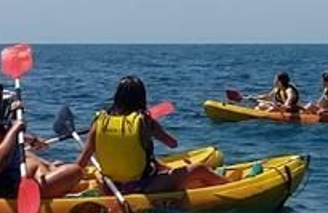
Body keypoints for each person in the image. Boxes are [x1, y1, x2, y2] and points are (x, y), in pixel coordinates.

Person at [78, 76, 226, 193]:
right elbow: (172, 143)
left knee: (151, 160)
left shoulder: (99, 121)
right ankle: (229, 186)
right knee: (198, 169)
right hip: (142, 187)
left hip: (111, 186)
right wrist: (153, 126)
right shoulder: (144, 121)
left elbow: (82, 162)